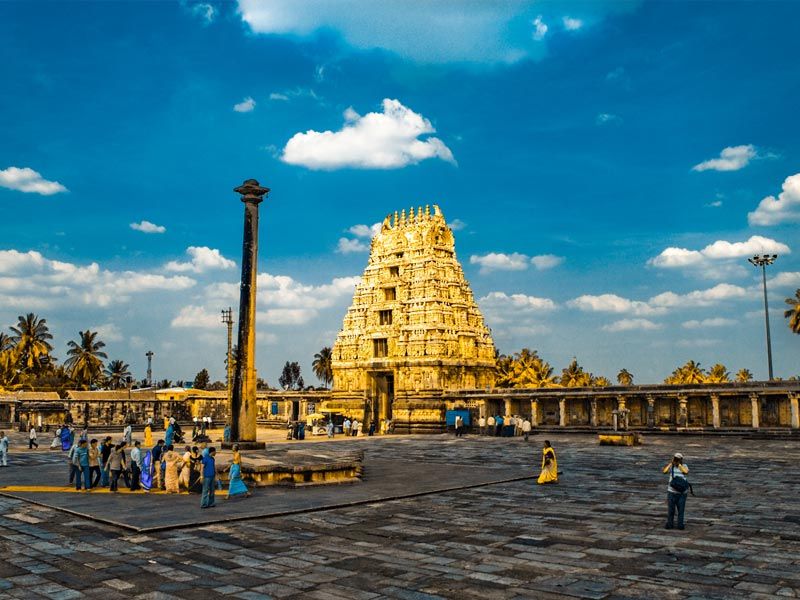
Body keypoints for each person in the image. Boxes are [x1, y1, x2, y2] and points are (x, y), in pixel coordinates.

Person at [663, 452, 690, 530]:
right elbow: (664, 471)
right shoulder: (671, 466)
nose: (677, 460)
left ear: (681, 460)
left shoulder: (684, 466)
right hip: (671, 492)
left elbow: (686, 472)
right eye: (676, 458)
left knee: (681, 510)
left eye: (678, 459)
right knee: (671, 510)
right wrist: (670, 463)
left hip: (682, 493)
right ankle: (669, 524)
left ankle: (680, 525)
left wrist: (679, 465)